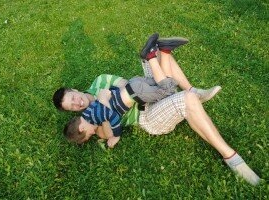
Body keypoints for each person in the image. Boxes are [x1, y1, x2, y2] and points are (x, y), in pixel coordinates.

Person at [52, 34, 260, 185]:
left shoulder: (100, 81)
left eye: (73, 98)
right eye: (72, 107)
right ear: (73, 114)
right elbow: (109, 132)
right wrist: (106, 105)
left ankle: (165, 63)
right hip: (148, 117)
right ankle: (231, 157)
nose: (78, 104)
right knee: (177, 91)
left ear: (75, 90)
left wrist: (107, 95)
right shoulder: (89, 121)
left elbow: (128, 83)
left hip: (139, 91)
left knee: (153, 65)